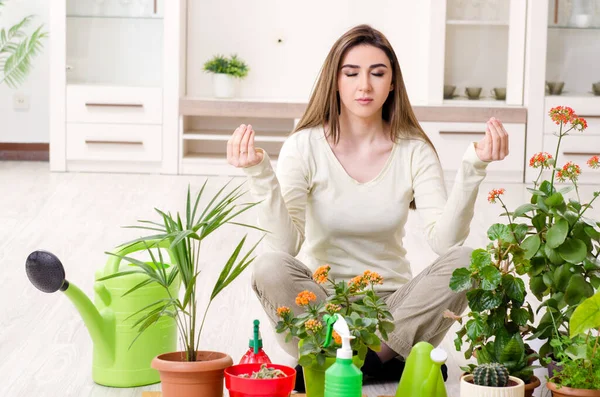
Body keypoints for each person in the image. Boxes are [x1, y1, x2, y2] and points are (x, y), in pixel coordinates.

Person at [227, 24, 509, 390]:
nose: (365, 86)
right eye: (352, 73)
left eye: (378, 74)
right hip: (321, 307)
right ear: (336, 81)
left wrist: (474, 166)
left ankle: (346, 359)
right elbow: (285, 247)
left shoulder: (413, 149)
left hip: (391, 311)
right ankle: (378, 360)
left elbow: (444, 242)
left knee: (469, 260)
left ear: (392, 83)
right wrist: (258, 173)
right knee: (269, 265)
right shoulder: (304, 146)